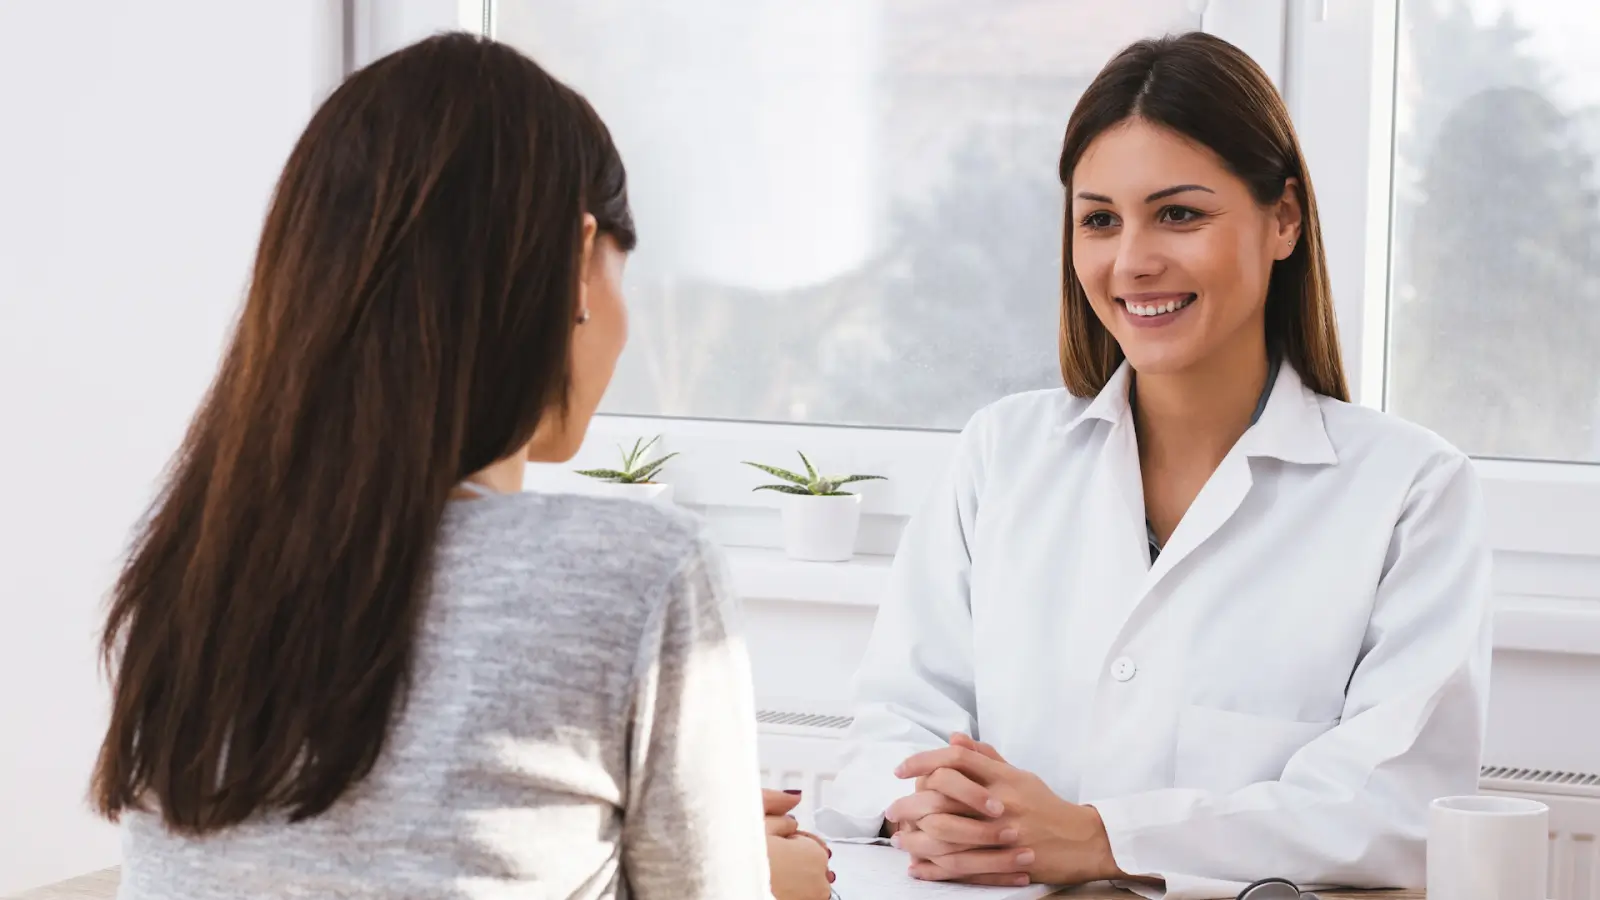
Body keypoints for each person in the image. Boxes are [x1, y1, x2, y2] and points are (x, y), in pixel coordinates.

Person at [91, 33, 830, 900]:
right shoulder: (637, 571)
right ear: (576, 264)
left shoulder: (191, 569)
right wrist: (764, 873)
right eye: (621, 274)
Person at [814, 31, 1492, 900]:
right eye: (1100, 219)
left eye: (1178, 213)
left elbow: (1394, 807)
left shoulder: (1412, 491)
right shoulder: (1002, 453)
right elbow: (895, 719)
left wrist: (1101, 839)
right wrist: (928, 802)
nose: (1131, 260)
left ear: (1283, 219)